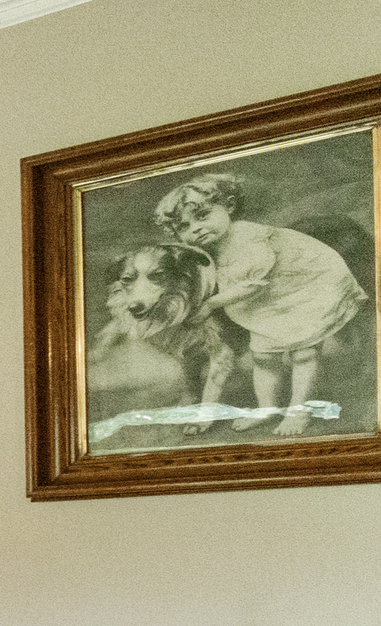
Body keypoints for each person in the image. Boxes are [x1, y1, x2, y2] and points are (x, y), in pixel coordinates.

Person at [154, 172, 368, 435]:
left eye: (203, 215)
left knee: (304, 353)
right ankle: (266, 408)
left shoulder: (247, 238)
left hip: (307, 287)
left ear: (229, 206)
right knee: (264, 357)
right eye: (184, 227)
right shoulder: (208, 250)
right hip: (271, 300)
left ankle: (298, 412)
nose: (196, 228)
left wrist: (211, 304)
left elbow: (255, 283)